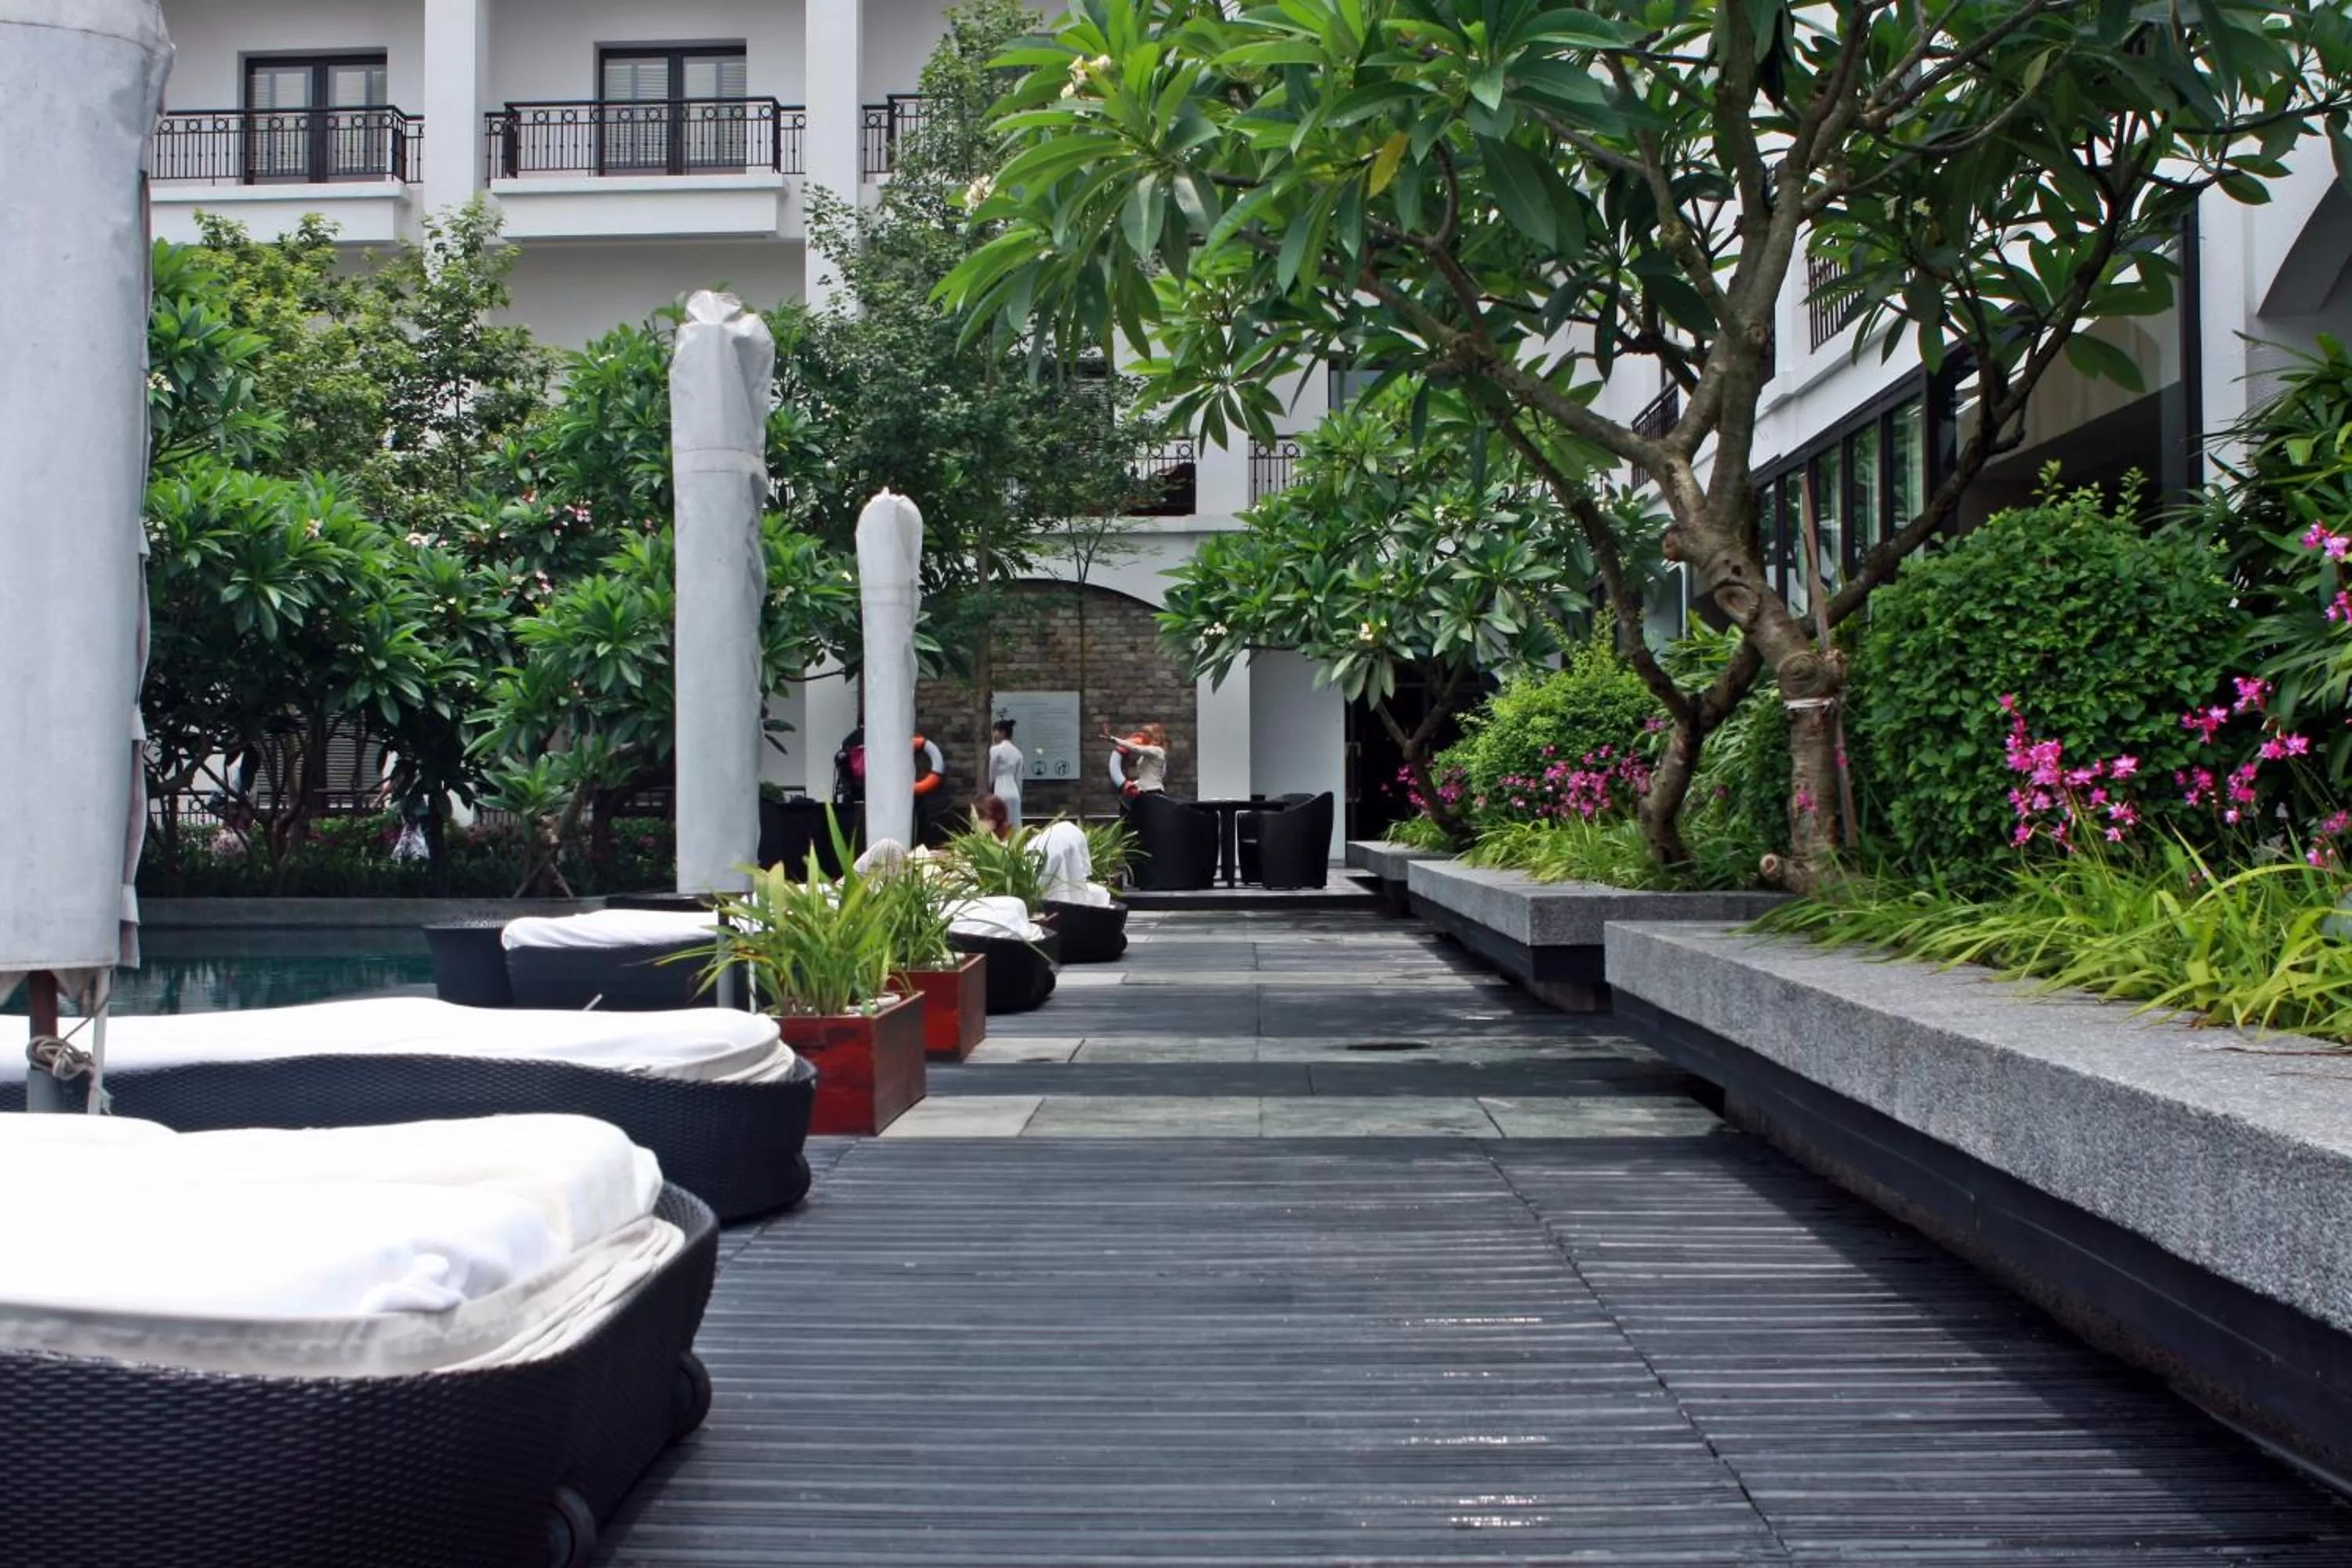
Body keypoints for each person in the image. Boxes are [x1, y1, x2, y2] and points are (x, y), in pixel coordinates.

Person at [1102, 721, 1168, 798]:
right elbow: (1146, 775)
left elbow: (1135, 748)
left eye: (1147, 734)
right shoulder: (1146, 756)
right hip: (1143, 791)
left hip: (1153, 791)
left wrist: (1113, 739)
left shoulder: (1157, 751)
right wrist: (1134, 784)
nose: (1144, 736)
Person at [987, 717, 1025, 827]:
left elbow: (991, 773)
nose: (994, 735)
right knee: (1014, 826)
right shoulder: (1018, 753)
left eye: (995, 731)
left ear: (1002, 732)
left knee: (1001, 826)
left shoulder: (995, 750)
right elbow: (1019, 779)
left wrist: (989, 789)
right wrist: (1019, 795)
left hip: (1000, 791)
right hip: (1014, 794)